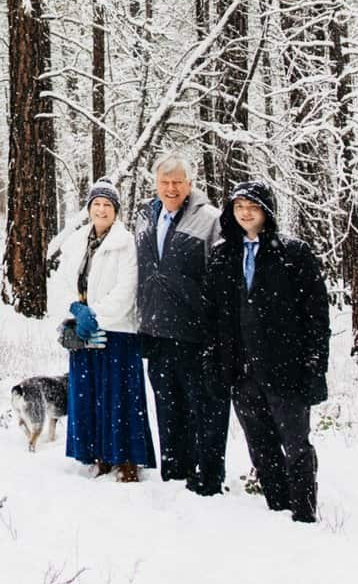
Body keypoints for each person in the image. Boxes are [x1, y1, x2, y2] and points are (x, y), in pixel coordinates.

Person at [204, 179, 330, 524]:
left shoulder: (293, 253)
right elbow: (213, 315)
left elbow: (315, 313)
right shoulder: (221, 255)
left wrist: (314, 362)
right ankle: (277, 505)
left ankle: (304, 512)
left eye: (253, 206)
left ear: (266, 211)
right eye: (239, 206)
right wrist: (215, 361)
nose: (245, 213)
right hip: (242, 369)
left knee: (296, 442)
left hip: (285, 366)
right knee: (260, 444)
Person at [133, 154, 227, 493]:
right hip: (156, 331)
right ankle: (174, 471)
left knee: (204, 407)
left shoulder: (210, 220)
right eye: (165, 182)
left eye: (177, 182)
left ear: (189, 184)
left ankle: (208, 476)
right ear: (156, 183)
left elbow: (221, 280)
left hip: (195, 332)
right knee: (167, 405)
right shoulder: (145, 217)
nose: (171, 188)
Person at [57, 177, 155, 482]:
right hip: (84, 333)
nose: (101, 210)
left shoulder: (125, 243)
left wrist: (95, 315)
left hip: (117, 333)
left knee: (119, 397)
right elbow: (61, 283)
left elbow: (127, 290)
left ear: (116, 211)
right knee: (91, 394)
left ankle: (126, 459)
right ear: (89, 208)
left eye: (107, 205)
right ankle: (98, 454)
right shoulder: (75, 242)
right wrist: (76, 310)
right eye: (96, 204)